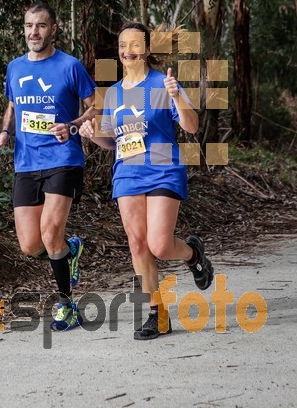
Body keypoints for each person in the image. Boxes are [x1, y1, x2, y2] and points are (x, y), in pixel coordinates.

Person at [79, 21, 214, 340]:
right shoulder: (112, 93)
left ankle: (193, 254)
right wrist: (92, 133)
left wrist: (176, 97)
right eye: (123, 45)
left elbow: (192, 126)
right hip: (127, 172)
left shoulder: (162, 83)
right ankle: (158, 314)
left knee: (160, 245)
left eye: (135, 44)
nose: (128, 50)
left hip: (163, 167)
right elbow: (112, 141)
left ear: (148, 49)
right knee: (138, 243)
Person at [0, 2, 96, 332]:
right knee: (30, 245)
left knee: (50, 234)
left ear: (54, 29)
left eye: (41, 26)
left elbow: (96, 108)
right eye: (28, 26)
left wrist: (73, 125)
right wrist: (5, 133)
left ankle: (67, 306)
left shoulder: (70, 66)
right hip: (26, 163)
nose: (34, 32)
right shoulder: (15, 68)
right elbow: (12, 105)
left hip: (63, 160)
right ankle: (70, 250)